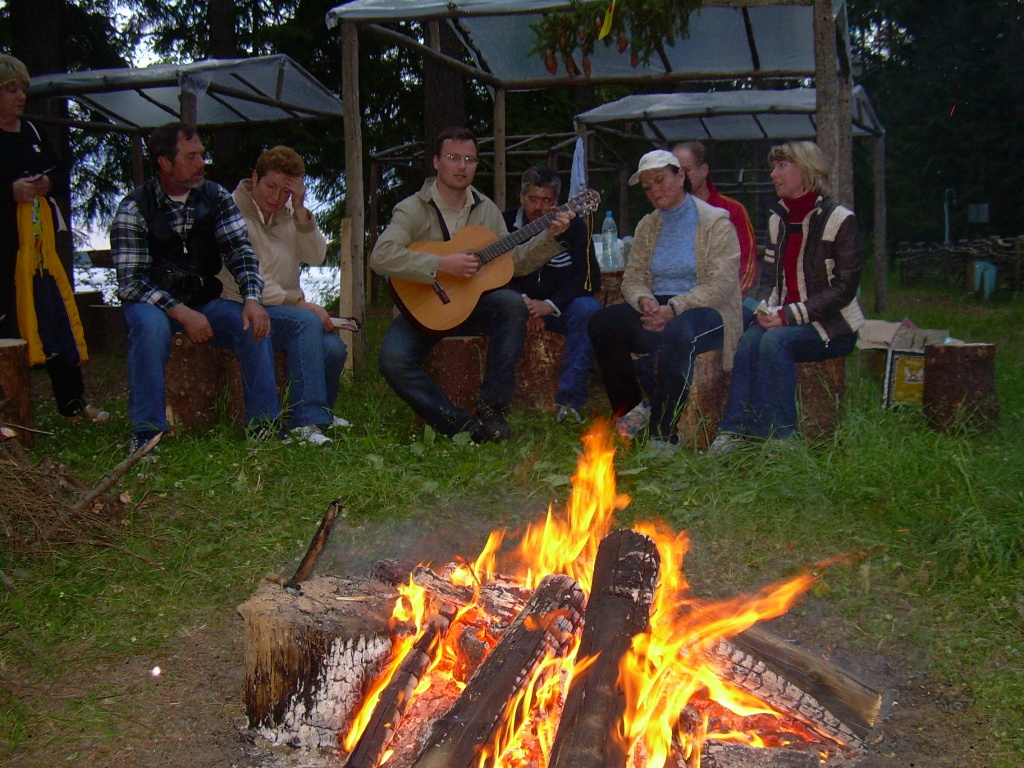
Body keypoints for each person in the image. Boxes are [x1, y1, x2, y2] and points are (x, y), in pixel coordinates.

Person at [371, 126, 573, 442]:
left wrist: (550, 236)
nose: (462, 166)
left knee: (510, 304)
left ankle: (492, 409)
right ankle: (459, 426)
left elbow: (514, 261)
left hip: (471, 306)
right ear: (437, 162)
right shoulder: (412, 208)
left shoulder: (486, 209)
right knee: (393, 361)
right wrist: (440, 264)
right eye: (453, 158)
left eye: (470, 159)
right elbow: (381, 256)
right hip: (423, 311)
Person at [110, 122, 283, 455]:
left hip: (204, 299)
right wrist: (182, 313)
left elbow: (240, 251)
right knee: (148, 327)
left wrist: (251, 298)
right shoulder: (134, 208)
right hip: (153, 303)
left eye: (202, 155)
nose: (202, 162)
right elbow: (131, 281)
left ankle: (265, 427)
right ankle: (147, 435)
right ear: (164, 162)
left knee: (253, 325)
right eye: (191, 157)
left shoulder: (215, 196)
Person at [709, 141, 865, 454]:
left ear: (806, 171)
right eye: (773, 167)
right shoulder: (778, 220)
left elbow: (844, 288)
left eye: (782, 166)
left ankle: (781, 438)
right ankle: (735, 430)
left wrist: (787, 317)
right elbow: (768, 280)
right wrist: (762, 308)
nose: (773, 174)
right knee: (749, 337)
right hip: (786, 319)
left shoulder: (840, 220)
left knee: (773, 342)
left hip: (832, 327)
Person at [587, 149, 742, 450]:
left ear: (681, 175)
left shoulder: (715, 223)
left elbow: (722, 284)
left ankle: (663, 432)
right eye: (648, 187)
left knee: (678, 332)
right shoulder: (649, 225)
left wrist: (674, 308)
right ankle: (631, 411)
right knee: (603, 322)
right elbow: (633, 277)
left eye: (661, 180)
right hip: (659, 307)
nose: (655, 190)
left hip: (708, 309)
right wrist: (644, 300)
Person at [0, 54, 108, 423]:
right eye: (10, 89)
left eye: (23, 89)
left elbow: (61, 174)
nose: (20, 97)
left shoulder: (31, 132)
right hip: (4, 252)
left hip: (41, 250)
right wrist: (9, 192)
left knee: (54, 320)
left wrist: (47, 184)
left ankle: (74, 405)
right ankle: (9, 412)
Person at [217, 146, 348, 446]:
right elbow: (252, 280)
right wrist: (301, 304)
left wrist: (301, 211)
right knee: (305, 322)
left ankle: (321, 415)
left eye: (285, 192)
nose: (276, 198)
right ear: (254, 178)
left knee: (334, 349)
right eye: (270, 187)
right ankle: (306, 421)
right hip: (242, 304)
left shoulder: (289, 214)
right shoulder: (232, 213)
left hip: (286, 309)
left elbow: (316, 255)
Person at [503, 166, 601, 424]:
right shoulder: (505, 223)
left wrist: (550, 305)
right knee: (498, 308)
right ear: (521, 197)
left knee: (589, 310)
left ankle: (569, 404)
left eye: (546, 200)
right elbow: (492, 274)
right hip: (515, 304)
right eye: (533, 199)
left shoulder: (575, 227)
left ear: (556, 202)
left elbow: (590, 279)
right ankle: (498, 402)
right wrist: (522, 304)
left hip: (560, 307)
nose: (538, 207)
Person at [671, 141, 759, 308]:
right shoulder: (668, 215)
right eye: (675, 172)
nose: (679, 178)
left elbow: (748, 266)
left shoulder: (733, 210)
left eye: (686, 171)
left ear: (704, 170)